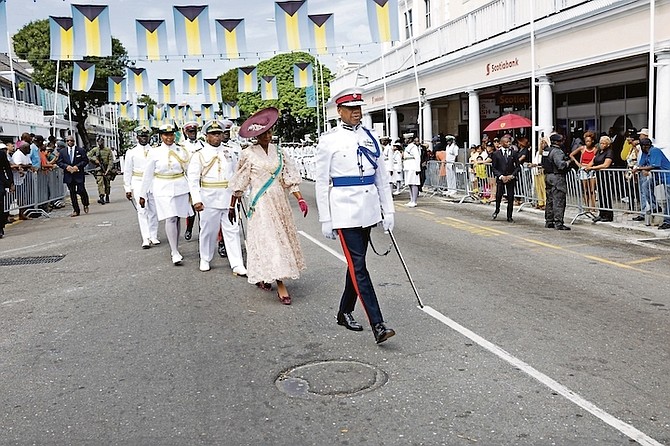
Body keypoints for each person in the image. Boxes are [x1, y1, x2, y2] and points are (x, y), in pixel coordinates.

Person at [314, 88, 396, 345]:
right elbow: (320, 182)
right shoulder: (329, 140)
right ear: (339, 111)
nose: (356, 112)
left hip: (368, 208)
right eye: (350, 108)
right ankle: (378, 324)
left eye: (358, 107)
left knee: (355, 265)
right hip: (344, 210)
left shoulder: (370, 137)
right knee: (359, 266)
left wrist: (388, 209)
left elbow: (381, 177)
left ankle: (344, 311)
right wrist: (325, 218)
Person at [228, 107, 307, 305]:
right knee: (270, 240)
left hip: (279, 202)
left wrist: (300, 198)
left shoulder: (279, 152)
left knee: (278, 239)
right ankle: (280, 284)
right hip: (261, 203)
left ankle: (265, 276)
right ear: (256, 135)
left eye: (270, 132)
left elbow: (288, 178)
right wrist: (232, 206)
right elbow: (240, 181)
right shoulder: (247, 154)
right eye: (263, 134)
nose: (267, 136)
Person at [188, 119, 247, 275]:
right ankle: (205, 258)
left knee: (232, 230)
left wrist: (239, 193)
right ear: (206, 136)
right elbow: (193, 180)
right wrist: (196, 200)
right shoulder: (199, 155)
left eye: (219, 134)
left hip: (228, 197)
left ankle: (237, 263)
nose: (217, 137)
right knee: (208, 230)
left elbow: (236, 174)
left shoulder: (229, 152)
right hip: (208, 198)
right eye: (213, 134)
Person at [139, 122, 193, 265]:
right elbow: (147, 174)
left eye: (171, 134)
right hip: (162, 188)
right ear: (161, 136)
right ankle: (174, 251)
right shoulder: (155, 152)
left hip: (180, 186)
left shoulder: (182, 150)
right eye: (166, 135)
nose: (169, 137)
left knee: (177, 217)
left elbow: (189, 170)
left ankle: (176, 247)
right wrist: (142, 194)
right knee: (170, 218)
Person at [123, 126, 160, 248]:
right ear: (137, 137)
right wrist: (127, 188)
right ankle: (146, 237)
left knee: (154, 210)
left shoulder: (155, 151)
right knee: (142, 210)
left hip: (153, 182)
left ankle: (153, 235)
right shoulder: (131, 152)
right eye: (142, 136)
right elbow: (127, 171)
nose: (144, 138)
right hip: (138, 182)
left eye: (146, 136)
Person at [632, 138, 670, 230]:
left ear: (644, 146)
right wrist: (641, 168)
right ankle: (655, 207)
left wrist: (641, 169)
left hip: (667, 176)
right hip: (658, 177)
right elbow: (641, 164)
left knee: (669, 199)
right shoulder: (646, 153)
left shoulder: (654, 151)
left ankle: (667, 221)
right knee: (646, 186)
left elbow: (654, 165)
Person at [543, 134, 571, 230]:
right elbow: (561, 165)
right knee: (559, 200)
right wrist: (568, 162)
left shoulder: (546, 150)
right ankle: (558, 222)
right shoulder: (557, 152)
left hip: (548, 176)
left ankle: (549, 220)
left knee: (550, 199)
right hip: (557, 176)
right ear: (558, 142)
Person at [56, 136, 90, 217]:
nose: (70, 142)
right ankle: (76, 210)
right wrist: (66, 167)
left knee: (81, 190)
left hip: (78, 174)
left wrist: (77, 167)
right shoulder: (63, 151)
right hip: (69, 175)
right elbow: (59, 162)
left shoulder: (80, 150)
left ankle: (85, 203)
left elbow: (85, 160)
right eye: (68, 141)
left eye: (71, 140)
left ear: (74, 141)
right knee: (72, 192)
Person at [182, 121, 204, 241]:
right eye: (190, 131)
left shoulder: (202, 144)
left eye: (194, 131)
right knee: (191, 209)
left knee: (203, 207)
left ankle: (202, 231)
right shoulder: (182, 147)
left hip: (202, 180)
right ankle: (189, 228)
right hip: (188, 180)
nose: (193, 134)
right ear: (186, 132)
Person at [585, 135, 614, 222]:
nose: (602, 145)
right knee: (601, 194)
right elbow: (593, 161)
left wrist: (592, 168)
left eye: (604, 143)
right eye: (601, 143)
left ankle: (608, 215)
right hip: (599, 175)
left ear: (608, 144)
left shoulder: (609, 152)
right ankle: (601, 213)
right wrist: (587, 167)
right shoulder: (599, 151)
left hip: (606, 176)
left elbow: (606, 165)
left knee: (606, 194)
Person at [491, 135, 520, 222]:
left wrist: (512, 175)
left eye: (509, 142)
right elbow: (494, 167)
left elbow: (518, 167)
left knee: (510, 197)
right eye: (507, 142)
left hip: (510, 178)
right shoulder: (496, 154)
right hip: (501, 178)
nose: (509, 143)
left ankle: (509, 216)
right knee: (499, 195)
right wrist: (501, 176)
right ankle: (497, 210)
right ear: (502, 143)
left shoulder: (513, 153)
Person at [569, 131, 598, 211]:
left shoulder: (595, 149)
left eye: (589, 141)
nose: (587, 143)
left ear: (592, 141)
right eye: (586, 141)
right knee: (585, 189)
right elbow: (571, 154)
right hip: (583, 169)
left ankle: (593, 207)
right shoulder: (582, 148)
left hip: (591, 169)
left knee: (592, 189)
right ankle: (587, 206)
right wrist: (578, 163)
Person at [88, 137, 114, 205]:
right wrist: (94, 160)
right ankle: (101, 196)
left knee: (107, 184)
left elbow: (111, 161)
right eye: (99, 142)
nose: (100, 143)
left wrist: (108, 170)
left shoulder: (108, 150)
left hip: (106, 168)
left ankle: (107, 195)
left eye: (101, 142)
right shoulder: (95, 150)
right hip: (99, 168)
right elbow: (88, 156)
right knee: (100, 182)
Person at [0, 143, 15, 238]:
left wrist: (11, 183)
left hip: (0, 183)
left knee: (0, 205)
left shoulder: (1, 154)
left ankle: (0, 228)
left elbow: (7, 168)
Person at [403, 135, 421, 207]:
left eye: (406, 139)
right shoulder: (408, 147)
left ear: (410, 139)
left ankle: (414, 201)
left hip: (413, 166)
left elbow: (417, 158)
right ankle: (411, 200)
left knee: (414, 183)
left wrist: (417, 168)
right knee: (410, 184)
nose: (405, 140)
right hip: (408, 166)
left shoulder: (413, 147)